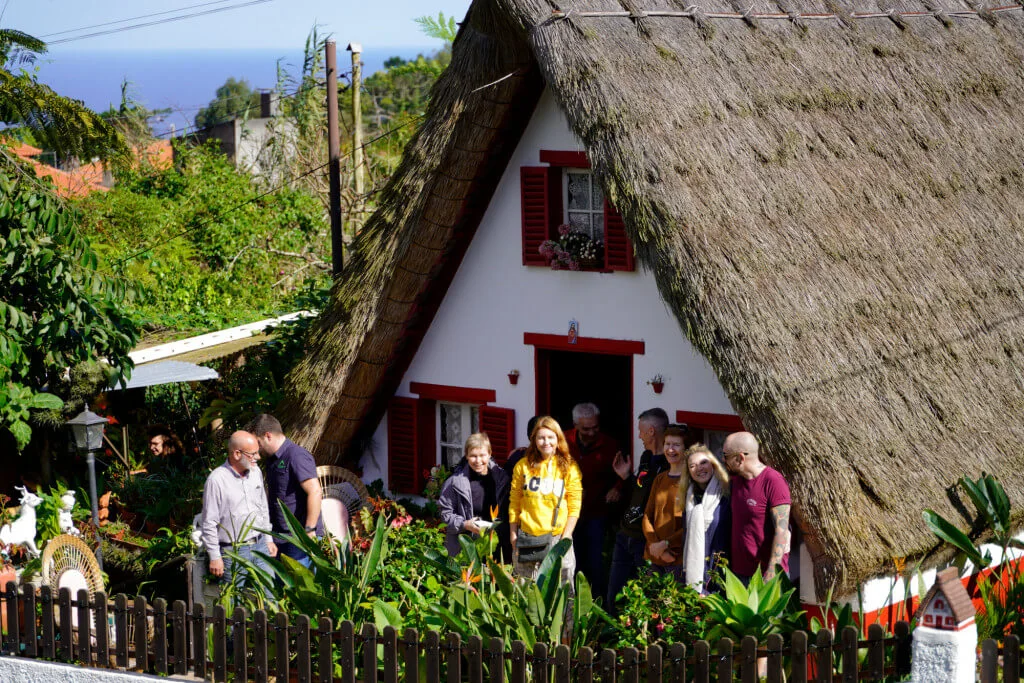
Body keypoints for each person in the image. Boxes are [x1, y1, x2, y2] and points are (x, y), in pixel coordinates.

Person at [606, 408, 669, 611]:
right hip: (626, 534)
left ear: (651, 431)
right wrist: (626, 476)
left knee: (646, 597)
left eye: (641, 431)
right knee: (614, 595)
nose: (639, 435)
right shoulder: (645, 457)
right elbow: (641, 490)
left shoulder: (670, 463)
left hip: (646, 539)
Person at [508, 416, 582, 582]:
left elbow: (574, 504)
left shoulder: (569, 467)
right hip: (527, 538)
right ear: (534, 440)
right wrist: (513, 533)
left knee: (562, 593)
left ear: (558, 439)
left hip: (557, 537)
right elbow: (514, 502)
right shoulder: (522, 465)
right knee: (527, 592)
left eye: (550, 437)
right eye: (541, 437)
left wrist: (567, 535)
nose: (545, 442)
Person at [200, 431, 277, 588]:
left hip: (260, 544)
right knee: (233, 603)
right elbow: (209, 522)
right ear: (236, 454)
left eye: (258, 452)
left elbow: (263, 507)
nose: (258, 458)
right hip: (232, 550)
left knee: (270, 595)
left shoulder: (256, 473)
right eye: (253, 454)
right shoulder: (217, 480)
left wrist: (268, 538)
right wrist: (215, 556)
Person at [249, 414, 323, 567]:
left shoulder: (296, 455)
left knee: (302, 589)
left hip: (299, 539)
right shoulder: (271, 461)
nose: (256, 449)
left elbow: (315, 491)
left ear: (268, 436)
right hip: (280, 538)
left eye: (258, 442)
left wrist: (309, 530)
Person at [566, 402, 620, 596]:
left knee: (596, 563)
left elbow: (621, 474)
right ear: (575, 426)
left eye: (595, 427)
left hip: (596, 513)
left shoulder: (610, 444)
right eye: (586, 429)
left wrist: (617, 488)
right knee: (571, 560)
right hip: (568, 513)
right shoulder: (563, 441)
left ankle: (597, 608)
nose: (591, 432)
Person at [723, 431, 791, 582]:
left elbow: (782, 531)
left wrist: (772, 571)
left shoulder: (773, 481)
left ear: (740, 458)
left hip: (767, 575)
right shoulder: (735, 481)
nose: (723, 459)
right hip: (740, 574)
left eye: (726, 456)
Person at [437, 433, 511, 559]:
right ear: (466, 456)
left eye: (482, 455)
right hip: (465, 548)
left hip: (497, 546)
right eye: (473, 456)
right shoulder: (455, 483)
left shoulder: (502, 479)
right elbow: (445, 515)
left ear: (489, 454)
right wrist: (464, 524)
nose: (478, 461)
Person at [679, 443, 731, 593]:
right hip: (696, 572)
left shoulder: (727, 494)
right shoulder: (689, 500)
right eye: (692, 466)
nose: (699, 468)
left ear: (713, 464)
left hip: (722, 572)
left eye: (703, 462)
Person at [641, 424, 687, 578]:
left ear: (686, 450)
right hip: (654, 556)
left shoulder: (691, 481)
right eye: (667, 444)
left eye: (676, 445)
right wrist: (655, 545)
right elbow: (647, 515)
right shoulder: (660, 478)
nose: (670, 449)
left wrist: (666, 545)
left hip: (677, 559)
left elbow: (691, 524)